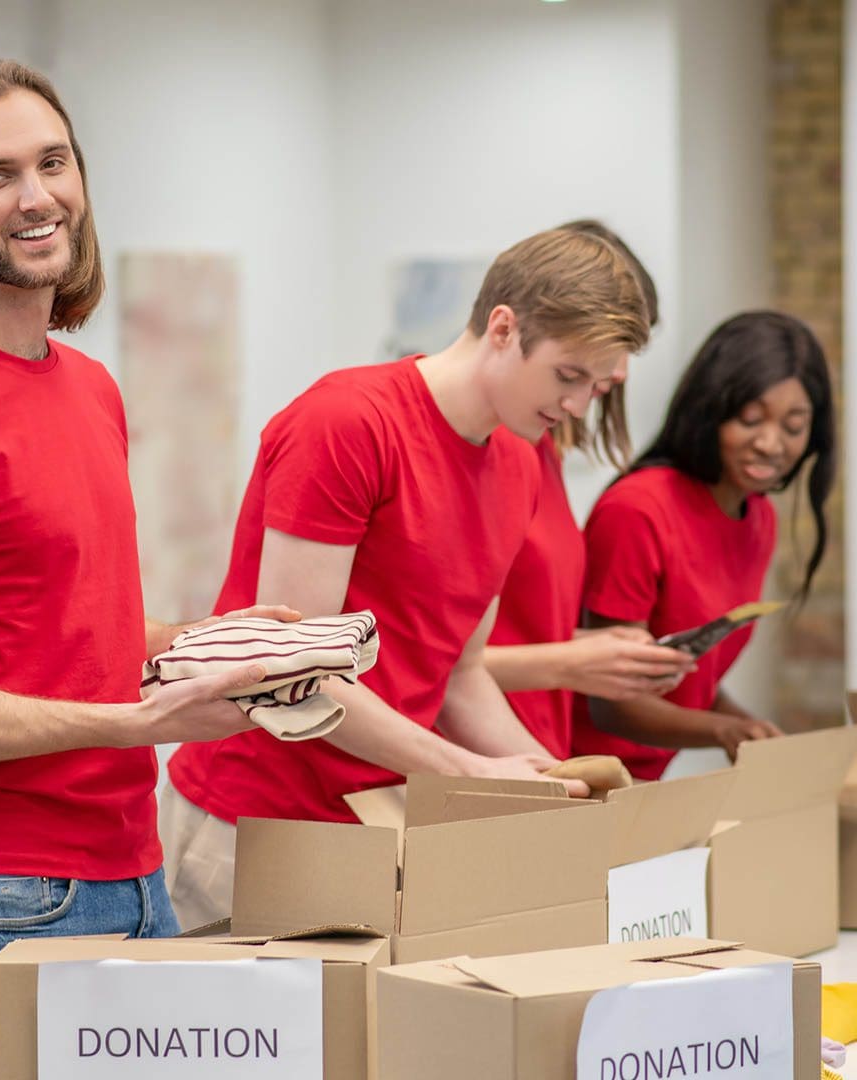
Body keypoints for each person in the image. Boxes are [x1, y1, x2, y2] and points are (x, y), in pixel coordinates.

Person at [0, 60, 294, 1080]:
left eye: (53, 162)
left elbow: (66, 637)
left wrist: (226, 647)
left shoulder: (89, 388)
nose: (37, 195)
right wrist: (140, 724)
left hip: (131, 866)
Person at [162, 228, 652, 930]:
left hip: (378, 824)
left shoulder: (516, 466)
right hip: (246, 823)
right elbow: (294, 672)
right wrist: (467, 772)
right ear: (504, 328)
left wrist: (545, 776)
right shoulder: (347, 424)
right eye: (568, 376)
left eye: (597, 387)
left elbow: (460, 673)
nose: (578, 406)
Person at [571, 310, 836, 777]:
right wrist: (720, 731)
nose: (771, 444)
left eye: (794, 427)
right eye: (751, 419)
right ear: (710, 410)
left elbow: (687, 669)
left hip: (647, 781)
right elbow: (609, 698)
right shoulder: (638, 509)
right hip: (578, 775)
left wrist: (744, 724)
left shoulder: (758, 517)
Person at [483, 221, 695, 758]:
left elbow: (499, 638)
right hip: (476, 760)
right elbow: (428, 665)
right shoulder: (493, 448)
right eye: (592, 360)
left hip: (528, 747)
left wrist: (595, 652)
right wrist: (573, 662)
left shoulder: (537, 452)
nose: (619, 373)